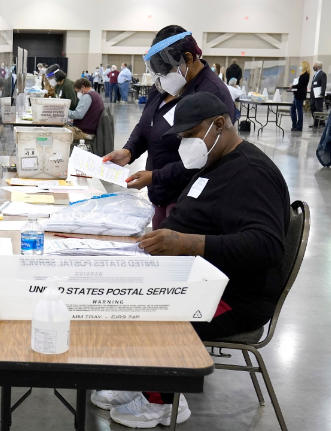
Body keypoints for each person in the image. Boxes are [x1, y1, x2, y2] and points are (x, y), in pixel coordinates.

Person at [98, 92, 290, 429]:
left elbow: (266, 246)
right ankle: (141, 378)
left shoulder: (251, 174)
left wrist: (189, 243)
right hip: (199, 276)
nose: (187, 144)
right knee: (119, 290)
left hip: (232, 296)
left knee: (154, 308)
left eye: (191, 134)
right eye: (182, 137)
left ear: (220, 124)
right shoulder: (215, 163)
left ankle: (163, 401)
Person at [102, 25, 235, 230]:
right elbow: (146, 124)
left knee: (174, 256)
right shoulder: (165, 86)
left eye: (167, 71)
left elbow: (204, 159)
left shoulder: (213, 94)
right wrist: (129, 151)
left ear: (188, 59)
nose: (162, 78)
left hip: (189, 200)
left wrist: (155, 176)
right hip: (159, 193)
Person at [289, 61, 310, 132]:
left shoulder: (305, 75)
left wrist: (292, 86)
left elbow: (300, 85)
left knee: (299, 110)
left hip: (300, 94)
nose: (300, 67)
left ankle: (299, 126)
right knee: (292, 109)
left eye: (301, 66)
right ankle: (294, 124)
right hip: (297, 94)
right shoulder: (303, 75)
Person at [310, 61, 327, 128]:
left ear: (318, 67)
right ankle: (315, 122)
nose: (313, 67)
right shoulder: (315, 74)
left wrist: (322, 93)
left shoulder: (322, 74)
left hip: (318, 95)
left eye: (314, 66)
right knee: (313, 108)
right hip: (313, 94)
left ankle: (320, 123)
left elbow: (323, 84)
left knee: (318, 109)